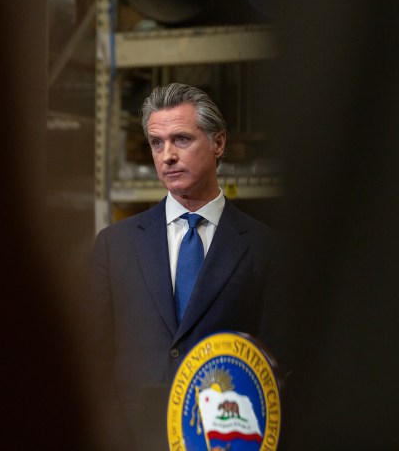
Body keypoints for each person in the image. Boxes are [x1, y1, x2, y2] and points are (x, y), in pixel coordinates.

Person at [84, 83, 285, 451]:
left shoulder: (264, 248)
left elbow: (279, 364)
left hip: (225, 439)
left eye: (181, 139)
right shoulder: (116, 244)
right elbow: (91, 361)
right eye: (157, 143)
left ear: (218, 143)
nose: (167, 156)